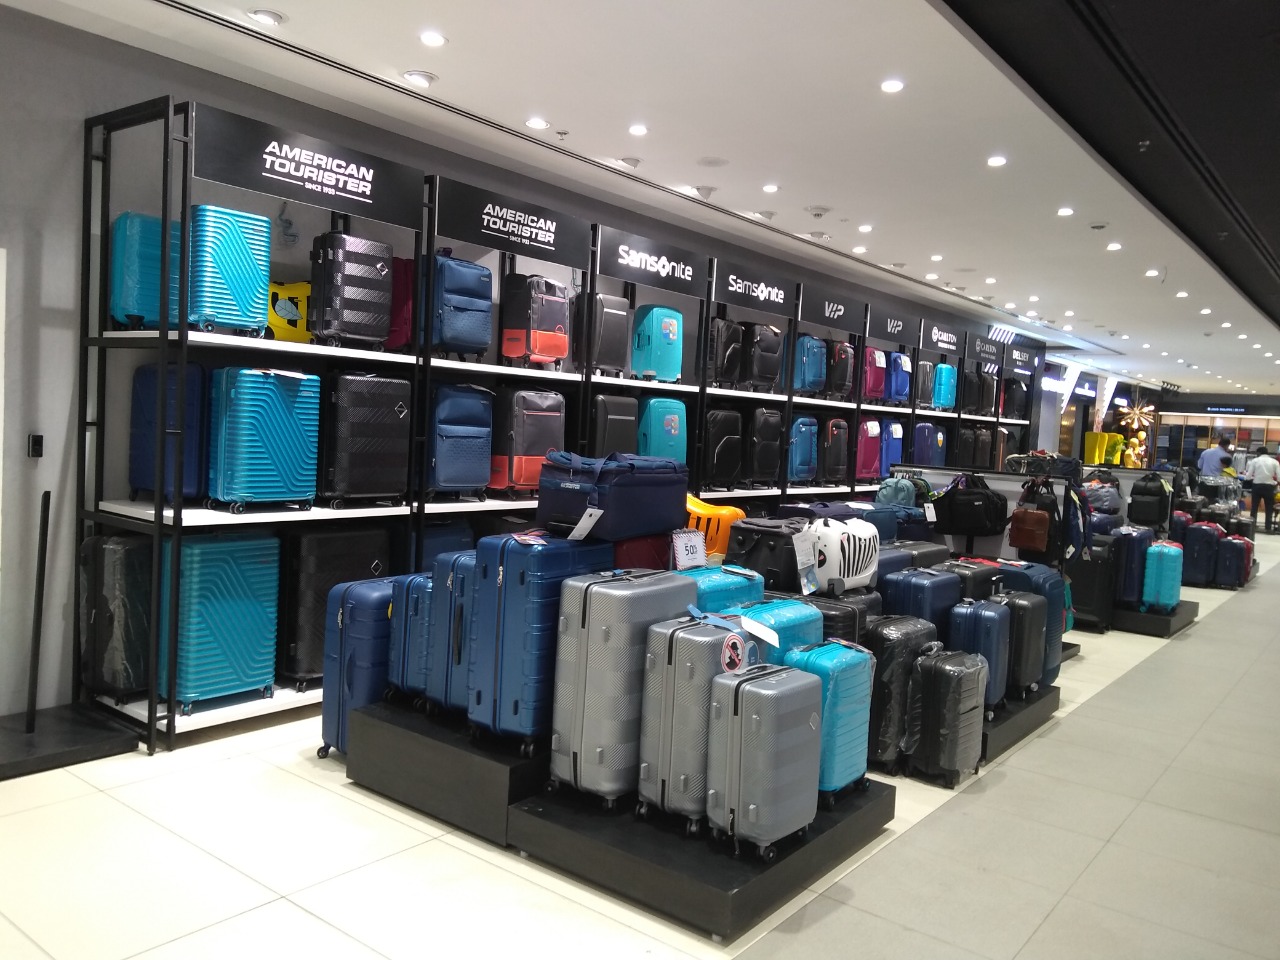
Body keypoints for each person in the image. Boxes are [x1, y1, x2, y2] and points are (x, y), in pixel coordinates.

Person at [1244, 445, 1280, 533]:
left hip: (1257, 486)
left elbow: (1248, 476)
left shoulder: (1255, 461)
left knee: (1254, 507)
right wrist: (1275, 483)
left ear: (1259, 453)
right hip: (1269, 487)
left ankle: (1252, 526)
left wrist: (1247, 477)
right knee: (1269, 507)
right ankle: (1268, 527)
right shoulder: (1275, 462)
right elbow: (1279, 477)